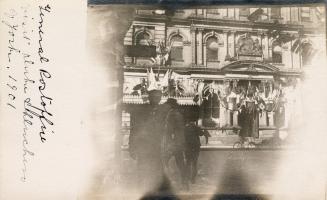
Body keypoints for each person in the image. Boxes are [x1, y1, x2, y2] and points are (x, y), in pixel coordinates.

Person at [129, 89, 166, 192]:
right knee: (142, 170)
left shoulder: (163, 112)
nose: (157, 99)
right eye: (154, 97)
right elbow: (134, 130)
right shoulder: (140, 111)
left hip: (158, 147)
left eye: (158, 97)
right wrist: (131, 147)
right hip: (143, 147)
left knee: (157, 171)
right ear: (149, 98)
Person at [160, 98, 188, 190]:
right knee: (180, 163)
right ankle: (185, 184)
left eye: (167, 105)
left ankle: (164, 183)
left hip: (172, 143)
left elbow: (169, 129)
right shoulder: (179, 114)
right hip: (179, 142)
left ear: (170, 105)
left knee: (163, 162)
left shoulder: (171, 114)